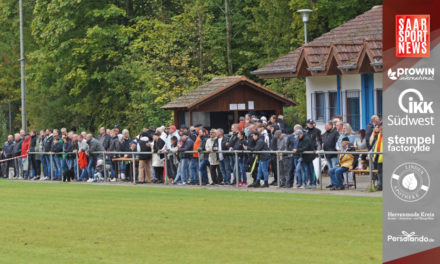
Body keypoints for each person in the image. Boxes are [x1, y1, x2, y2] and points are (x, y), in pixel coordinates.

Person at [372, 122, 383, 191]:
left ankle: (380, 185)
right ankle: (380, 185)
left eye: (379, 127)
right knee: (379, 172)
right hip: (379, 156)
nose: (378, 128)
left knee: (382, 172)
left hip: (383, 156)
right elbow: (377, 145)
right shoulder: (380, 135)